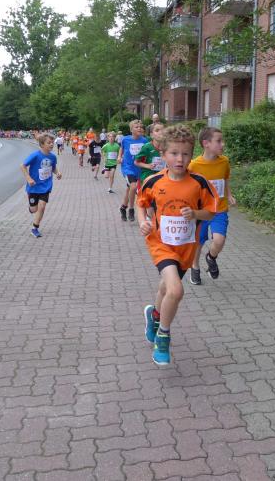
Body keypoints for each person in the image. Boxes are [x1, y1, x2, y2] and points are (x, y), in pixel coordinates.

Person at [137, 125, 217, 365]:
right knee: (176, 290)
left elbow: (210, 212)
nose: (179, 159)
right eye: (174, 153)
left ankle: (154, 315)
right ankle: (163, 336)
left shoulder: (199, 183)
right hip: (160, 244)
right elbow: (142, 204)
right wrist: (143, 222)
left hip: (186, 247)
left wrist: (195, 214)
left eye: (185, 154)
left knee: (166, 288)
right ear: (163, 154)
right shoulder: (153, 181)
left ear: (192, 154)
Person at [187, 127, 236, 285]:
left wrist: (229, 195)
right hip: (201, 212)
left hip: (219, 209)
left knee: (219, 240)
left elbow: (225, 178)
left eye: (222, 140)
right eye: (219, 141)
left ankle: (211, 257)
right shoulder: (193, 166)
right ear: (206, 143)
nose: (223, 144)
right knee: (198, 243)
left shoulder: (224, 161)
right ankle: (195, 267)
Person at [20, 133, 62, 238]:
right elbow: (22, 166)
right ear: (42, 145)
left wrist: (57, 173)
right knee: (34, 209)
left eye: (52, 142)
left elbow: (53, 167)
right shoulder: (35, 155)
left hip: (46, 186)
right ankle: (31, 208)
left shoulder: (53, 157)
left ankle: (35, 228)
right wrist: (29, 179)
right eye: (49, 143)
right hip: (33, 187)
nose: (51, 144)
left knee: (42, 207)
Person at [117, 120, 148, 222]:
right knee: (133, 187)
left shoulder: (145, 141)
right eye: (136, 127)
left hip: (139, 168)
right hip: (128, 168)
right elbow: (121, 149)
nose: (139, 128)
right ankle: (131, 209)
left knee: (129, 189)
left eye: (140, 127)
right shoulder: (125, 139)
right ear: (131, 130)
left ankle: (123, 207)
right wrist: (119, 157)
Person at [135, 121, 166, 189]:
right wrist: (148, 166)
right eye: (157, 130)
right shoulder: (147, 147)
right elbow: (136, 162)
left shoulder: (167, 148)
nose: (161, 132)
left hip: (162, 176)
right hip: (147, 177)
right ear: (152, 135)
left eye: (163, 130)